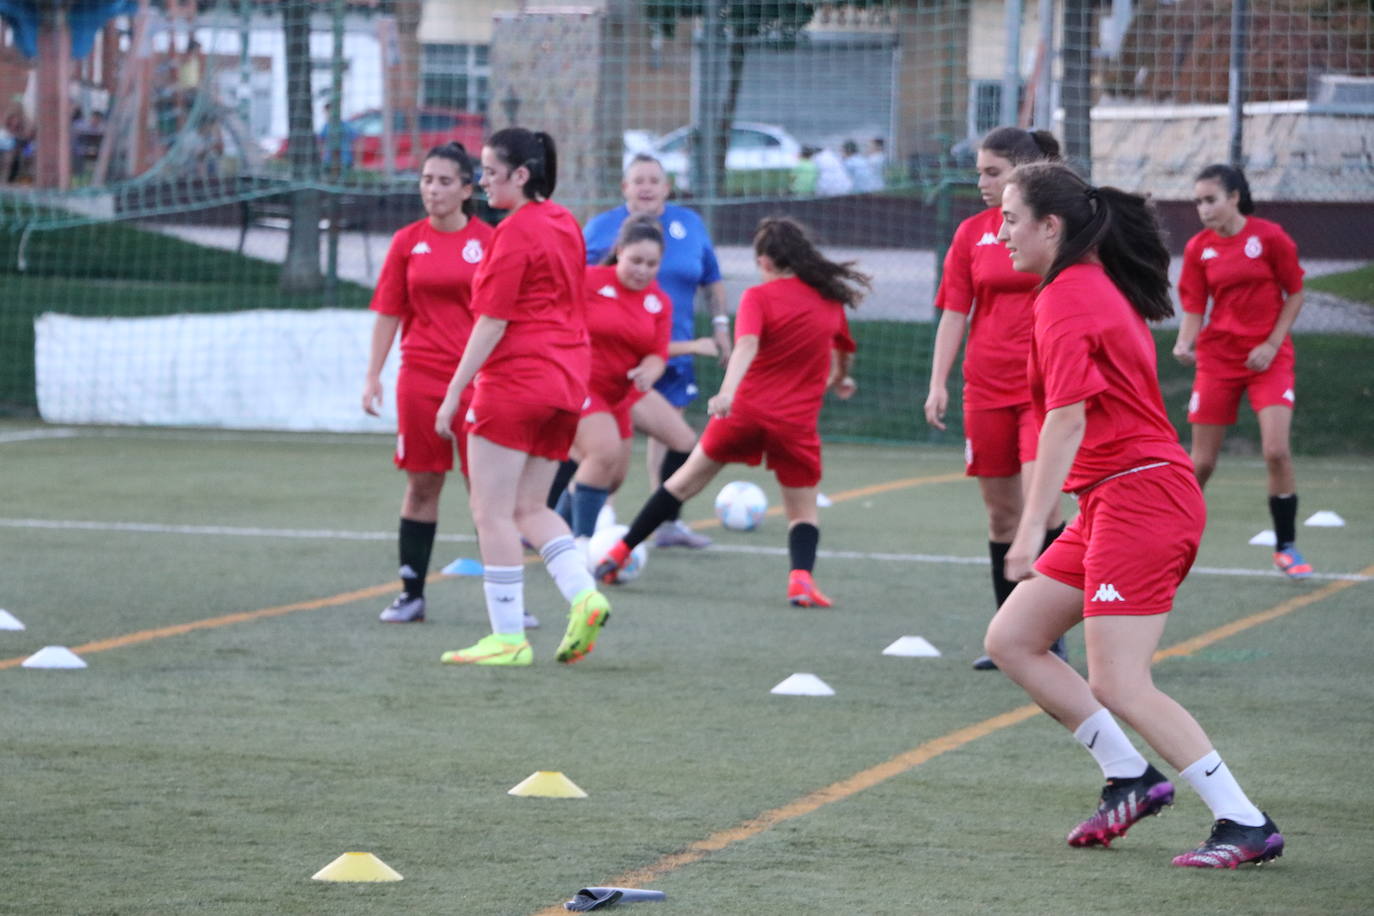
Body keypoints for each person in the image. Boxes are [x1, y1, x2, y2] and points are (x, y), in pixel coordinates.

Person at [984, 160, 1283, 869]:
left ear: (1050, 226)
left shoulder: (1068, 298)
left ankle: (1244, 822)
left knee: (1119, 680)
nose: (999, 233)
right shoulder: (1076, 287)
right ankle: (1130, 776)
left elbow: (1065, 419)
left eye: (1008, 217)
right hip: (1114, 498)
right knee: (1013, 637)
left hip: (1142, 497)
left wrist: (1030, 529)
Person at [594, 216, 866, 608]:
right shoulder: (829, 301)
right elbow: (842, 347)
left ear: (765, 263)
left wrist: (726, 394)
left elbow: (746, 346)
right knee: (802, 511)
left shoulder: (759, 297)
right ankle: (801, 581)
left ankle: (618, 554)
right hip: (795, 425)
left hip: (744, 413)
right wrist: (840, 378)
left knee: (682, 484)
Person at [433, 127, 611, 667]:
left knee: (490, 512)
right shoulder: (565, 223)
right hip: (567, 381)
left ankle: (508, 637)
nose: (481, 180)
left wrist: (453, 391)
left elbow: (492, 321)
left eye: (489, 171)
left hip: (517, 380)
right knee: (530, 506)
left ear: (521, 175)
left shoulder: (511, 233)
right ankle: (585, 595)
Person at [923, 126, 1066, 670]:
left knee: (1043, 506)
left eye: (993, 172)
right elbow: (955, 311)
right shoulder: (970, 235)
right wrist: (938, 382)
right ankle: (1009, 639)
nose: (982, 182)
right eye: (980, 171)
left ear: (1025, 175)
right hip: (984, 389)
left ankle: (1049, 634)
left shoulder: (1053, 231)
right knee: (1002, 517)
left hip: (1043, 388)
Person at [364, 142, 516, 625]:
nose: (433, 190)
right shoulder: (407, 242)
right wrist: (372, 376)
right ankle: (411, 594)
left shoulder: (490, 241)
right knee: (423, 484)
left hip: (479, 382)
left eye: (445, 181)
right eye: (427, 180)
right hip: (421, 379)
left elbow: (504, 315)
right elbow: (390, 312)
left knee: (486, 494)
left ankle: (510, 604)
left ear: (468, 189)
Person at [583, 153, 729, 549]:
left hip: (666, 355)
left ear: (667, 187)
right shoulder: (598, 236)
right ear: (625, 188)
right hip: (606, 368)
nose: (646, 186)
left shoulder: (689, 226)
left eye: (654, 180)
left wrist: (719, 329)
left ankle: (661, 521)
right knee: (607, 455)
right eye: (638, 180)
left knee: (674, 441)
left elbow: (712, 281)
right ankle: (590, 525)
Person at [1173, 163, 1311, 580]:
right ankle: (1167, 539)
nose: (1203, 209)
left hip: (1267, 360)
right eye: (1197, 201)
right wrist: (1185, 340)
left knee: (1276, 450)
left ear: (1234, 198)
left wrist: (1271, 343)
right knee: (1202, 463)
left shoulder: (1269, 238)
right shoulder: (1199, 248)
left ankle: (1285, 546)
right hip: (1219, 359)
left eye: (1210, 200)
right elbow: (1195, 305)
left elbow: (1296, 292)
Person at [561, 215, 692, 540]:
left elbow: (656, 353)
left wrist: (649, 371)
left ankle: (554, 530)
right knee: (602, 454)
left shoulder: (658, 301)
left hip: (621, 395)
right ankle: (581, 548)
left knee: (612, 478)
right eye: (636, 260)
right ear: (619, 251)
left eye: (651, 264)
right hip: (581, 385)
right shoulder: (588, 280)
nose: (643, 270)